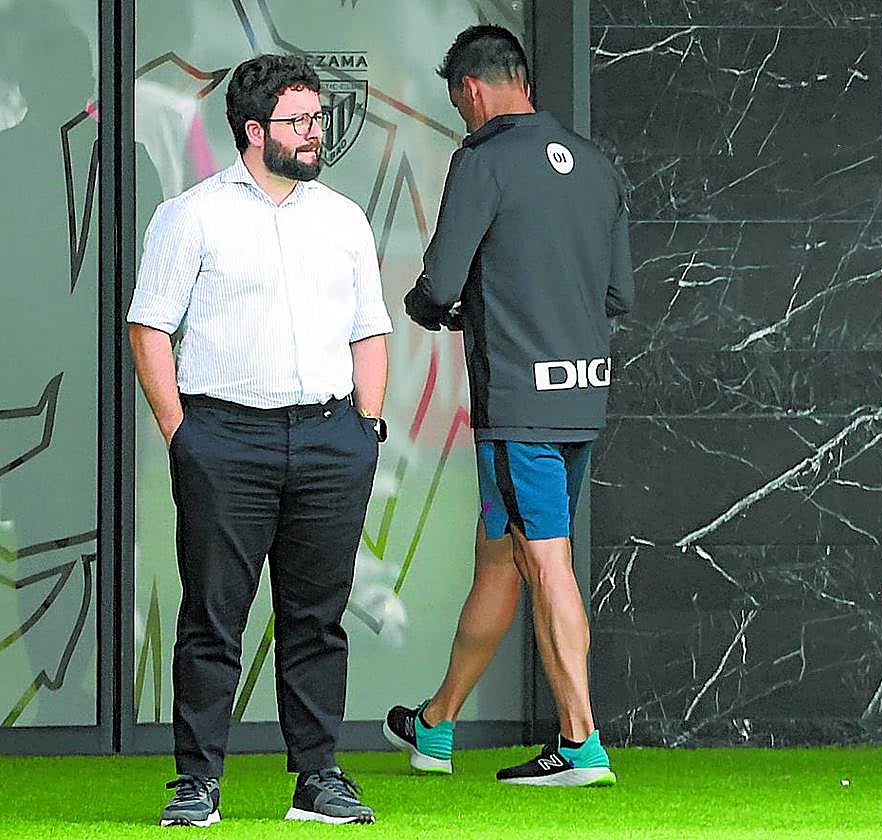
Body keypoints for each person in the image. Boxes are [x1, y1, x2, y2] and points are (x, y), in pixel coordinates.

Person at [128, 53, 391, 826]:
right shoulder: (192, 215)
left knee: (317, 618)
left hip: (330, 439)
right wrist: (185, 438)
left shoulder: (342, 218)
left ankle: (319, 779)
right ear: (253, 131)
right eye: (300, 121)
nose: (316, 134)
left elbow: (369, 331)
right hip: (224, 438)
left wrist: (366, 429)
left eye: (318, 119)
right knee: (213, 617)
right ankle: (196, 784)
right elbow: (149, 329)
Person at [382, 24, 633, 787]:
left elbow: (442, 281)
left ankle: (580, 742)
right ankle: (436, 726)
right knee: (503, 560)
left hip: (518, 406)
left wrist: (428, 308)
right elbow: (619, 293)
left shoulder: (482, 160)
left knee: (545, 564)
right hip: (581, 399)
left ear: (471, 90)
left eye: (458, 102)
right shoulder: (595, 165)